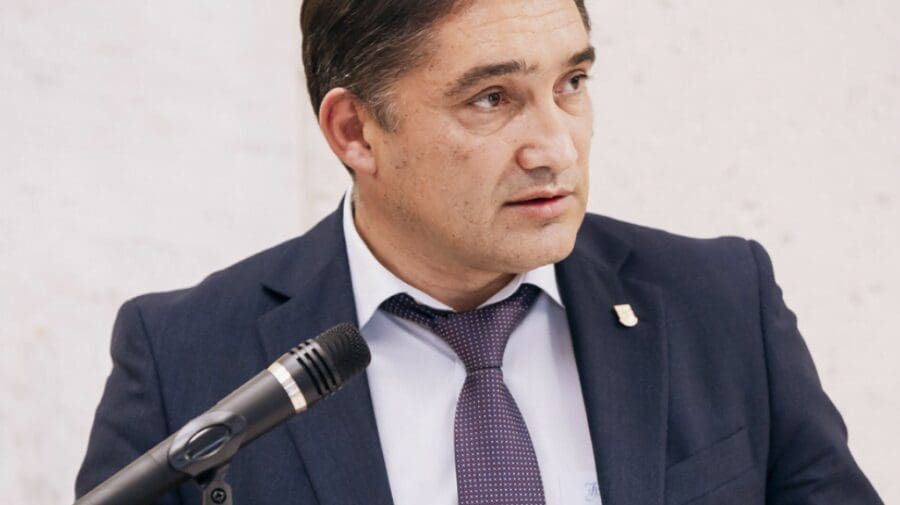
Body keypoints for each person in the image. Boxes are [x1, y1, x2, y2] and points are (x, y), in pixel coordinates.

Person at [76, 0, 883, 504]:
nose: (555, 148)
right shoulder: (185, 354)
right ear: (355, 131)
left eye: (572, 84)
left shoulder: (721, 301)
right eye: (492, 98)